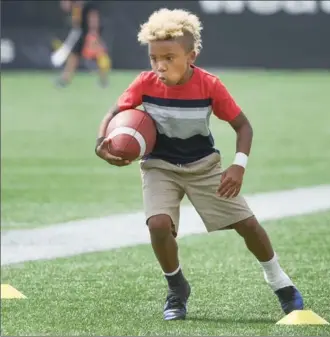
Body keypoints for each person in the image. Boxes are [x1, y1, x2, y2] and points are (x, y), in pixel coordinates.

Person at [95, 8, 304, 321]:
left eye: (169, 57)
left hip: (203, 165)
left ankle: (280, 282)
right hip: (160, 165)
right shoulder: (144, 83)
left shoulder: (209, 85)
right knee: (158, 225)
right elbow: (112, 113)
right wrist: (101, 144)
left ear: (191, 56)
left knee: (247, 224)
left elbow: (243, 126)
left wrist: (238, 166)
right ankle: (177, 289)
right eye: (154, 58)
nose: (160, 66)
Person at [56, 0, 110, 87]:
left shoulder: (90, 4)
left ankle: (104, 80)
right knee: (74, 56)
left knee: (100, 56)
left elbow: (94, 17)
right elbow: (75, 18)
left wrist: (93, 33)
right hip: (83, 32)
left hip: (90, 33)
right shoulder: (78, 5)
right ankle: (65, 79)